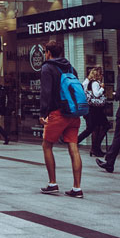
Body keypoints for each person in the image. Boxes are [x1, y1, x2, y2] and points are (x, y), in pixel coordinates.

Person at [38, 40, 83, 198]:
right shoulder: (70, 67)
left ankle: (52, 183)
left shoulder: (47, 67)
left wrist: (43, 113)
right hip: (72, 112)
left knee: (47, 145)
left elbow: (46, 92)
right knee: (73, 148)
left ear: (48, 53)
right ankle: (77, 188)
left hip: (57, 113)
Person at [77, 67, 108, 157]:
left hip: (92, 108)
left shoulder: (88, 82)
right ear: (98, 74)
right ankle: (94, 147)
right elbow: (96, 94)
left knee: (94, 128)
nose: (102, 76)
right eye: (101, 74)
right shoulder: (95, 83)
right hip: (95, 109)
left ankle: (95, 148)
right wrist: (102, 88)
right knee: (100, 126)